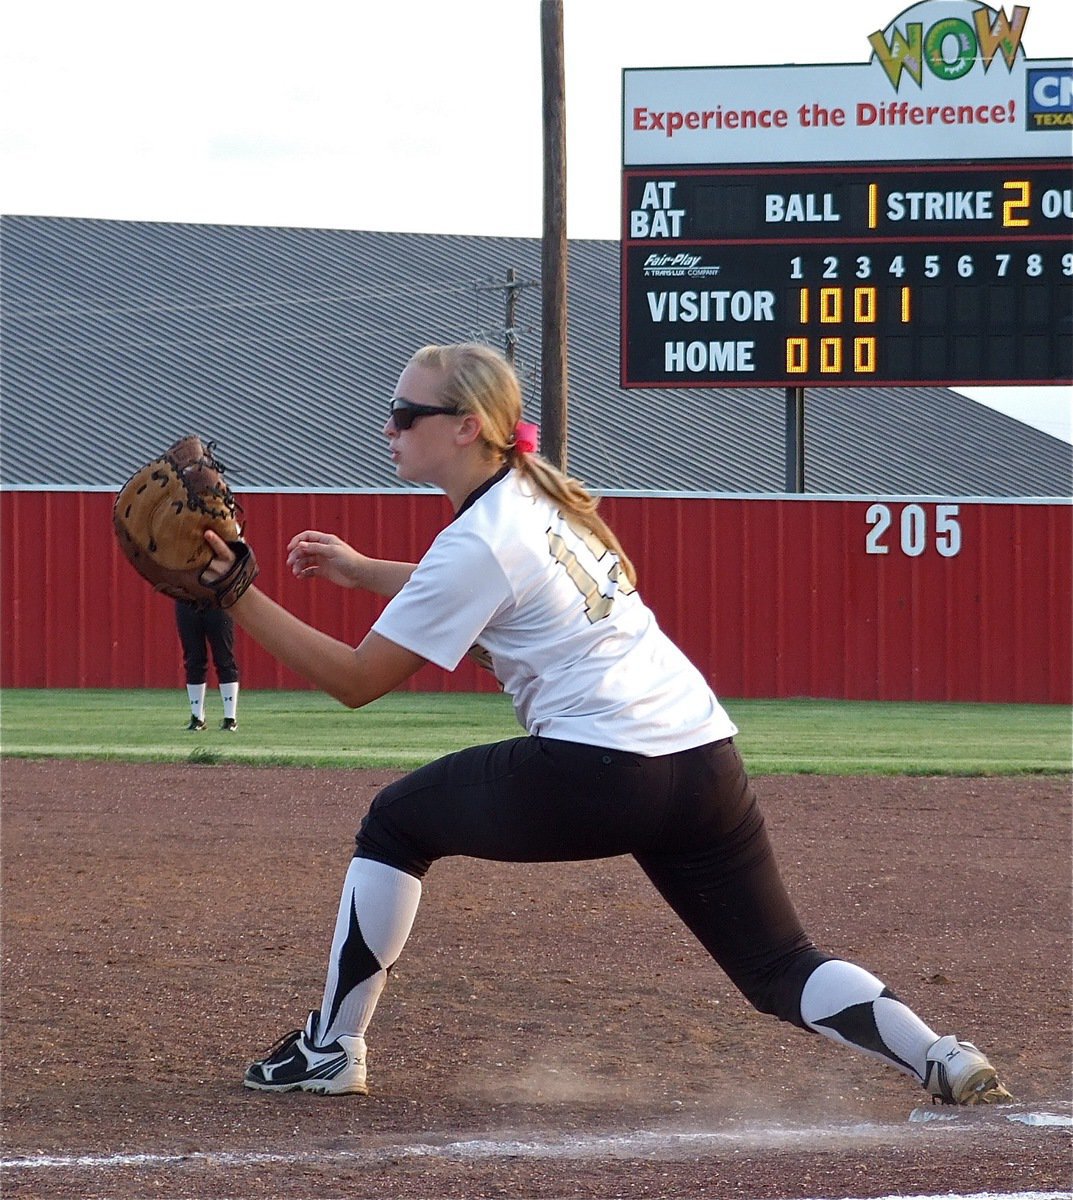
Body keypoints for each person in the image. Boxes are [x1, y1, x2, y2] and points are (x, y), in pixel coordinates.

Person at [201, 341, 1012, 1105]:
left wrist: (236, 593)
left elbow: (356, 680)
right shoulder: (539, 500)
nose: (388, 427)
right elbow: (491, 593)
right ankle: (938, 1055)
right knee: (777, 964)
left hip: (602, 768)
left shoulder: (479, 536)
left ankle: (332, 1049)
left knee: (395, 825)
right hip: (702, 759)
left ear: (463, 427)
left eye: (402, 412)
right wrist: (359, 569)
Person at [174, 599, 241, 731]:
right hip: (187, 600)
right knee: (193, 659)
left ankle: (230, 718)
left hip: (217, 600)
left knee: (224, 659)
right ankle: (197, 717)